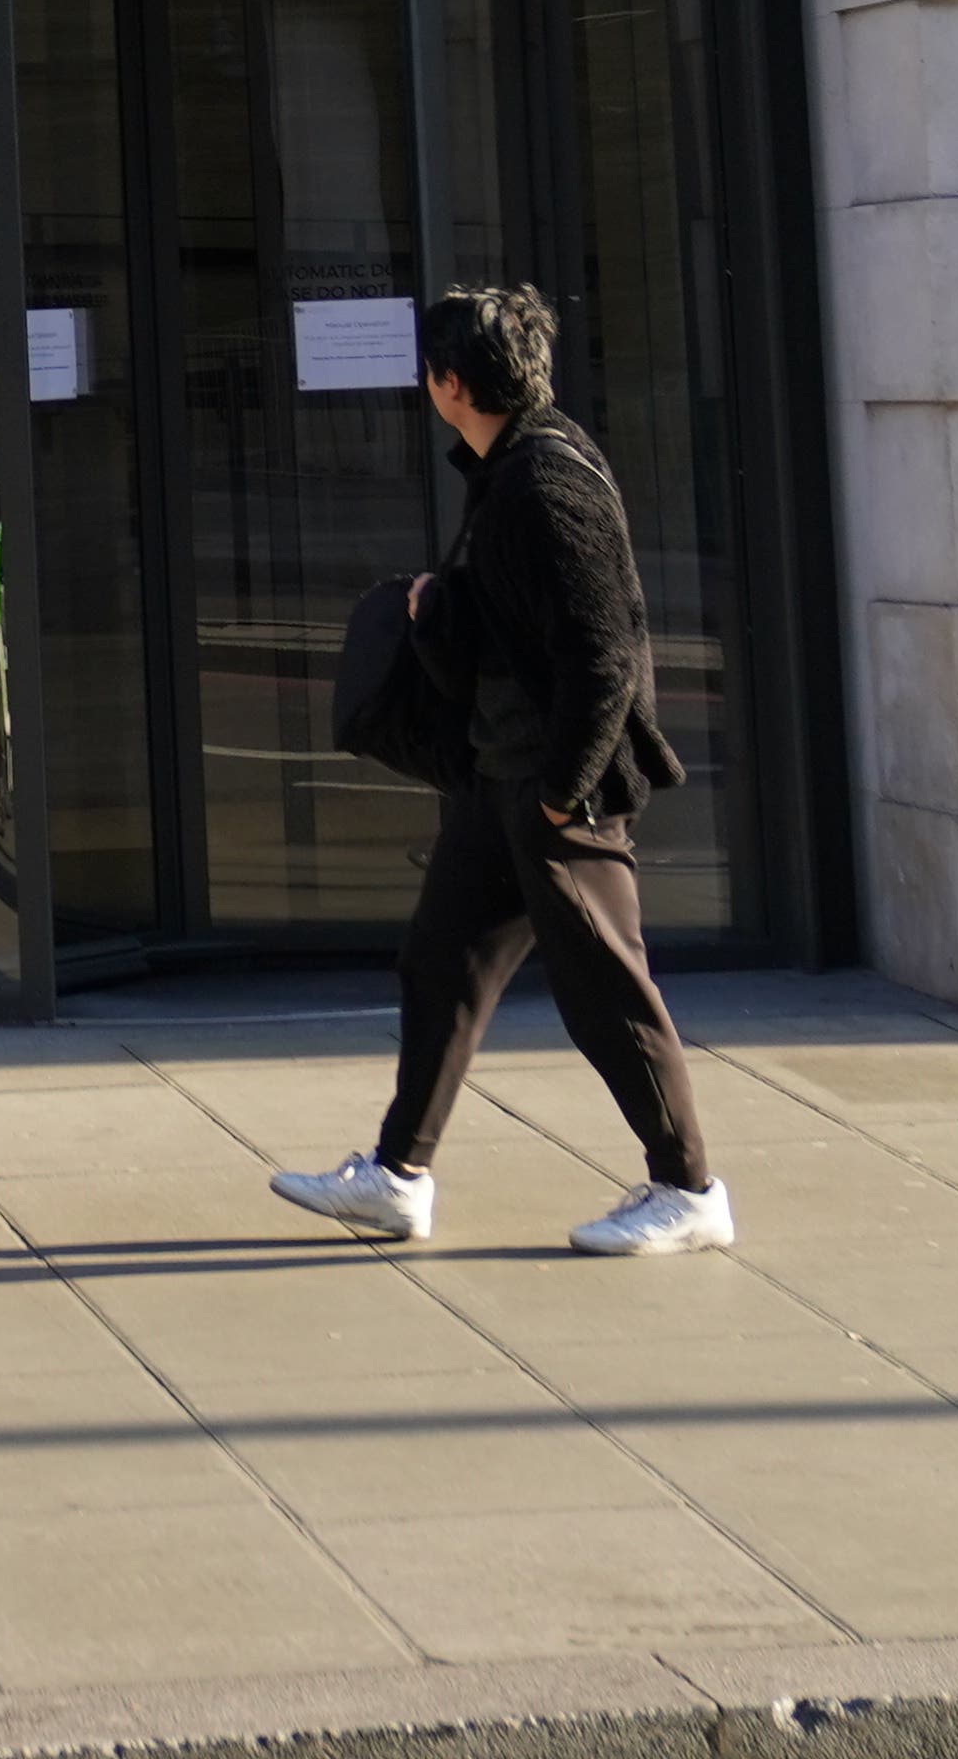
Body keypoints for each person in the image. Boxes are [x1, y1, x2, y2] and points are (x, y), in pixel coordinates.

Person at [272, 283, 733, 1258]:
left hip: (558, 787)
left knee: (607, 991)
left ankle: (690, 1189)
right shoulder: (511, 470)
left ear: (447, 383)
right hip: (501, 778)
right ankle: (398, 1176)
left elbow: (605, 655)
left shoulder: (545, 486)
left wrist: (567, 791)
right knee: (441, 964)